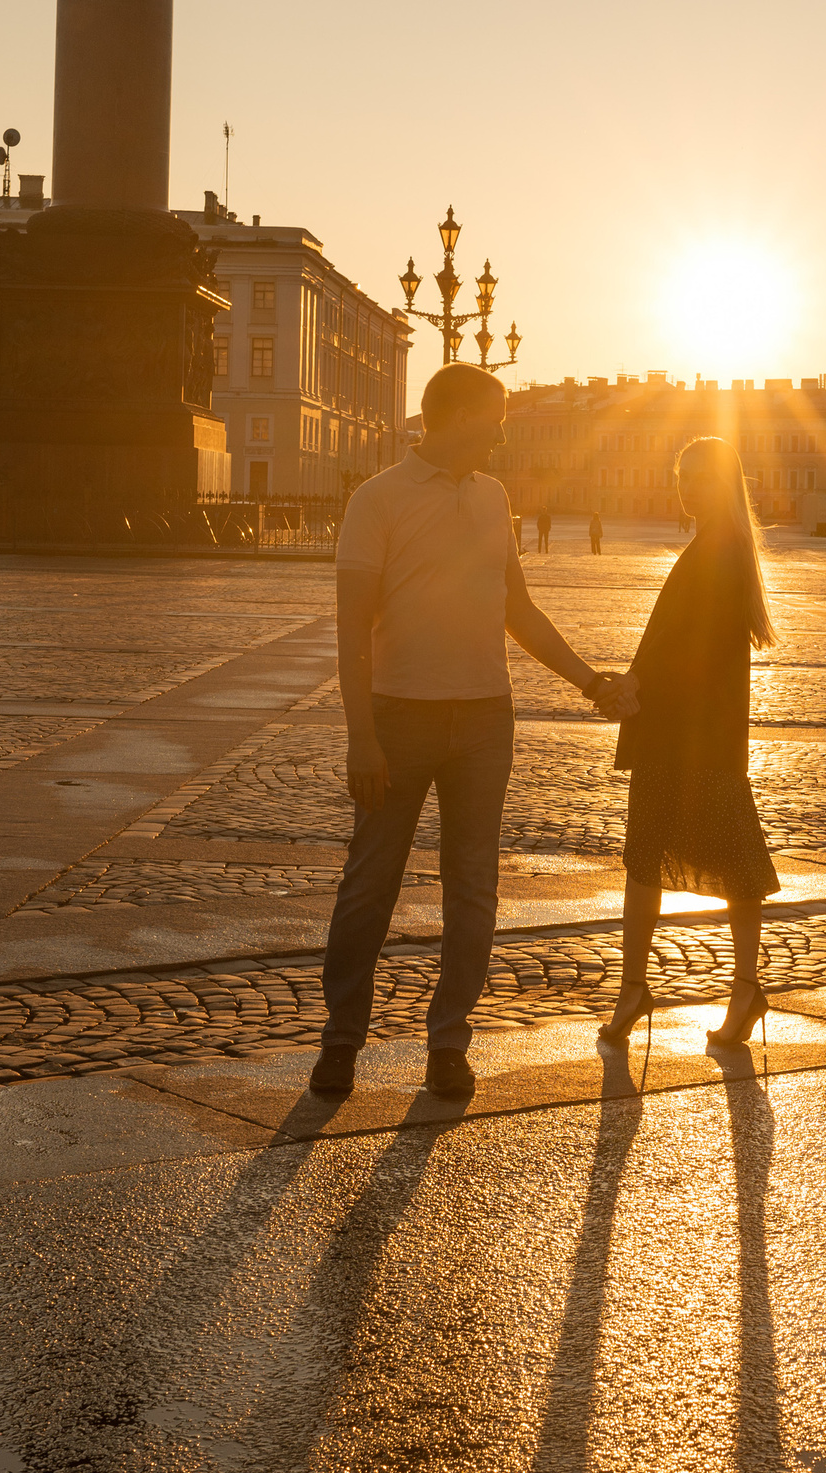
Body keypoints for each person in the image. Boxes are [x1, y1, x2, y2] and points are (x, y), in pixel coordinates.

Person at [312, 364, 629, 1099]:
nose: (503, 429)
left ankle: (449, 1042)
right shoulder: (377, 500)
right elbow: (351, 628)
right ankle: (340, 1041)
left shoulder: (494, 498)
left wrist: (588, 680)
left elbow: (516, 607)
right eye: (495, 416)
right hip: (399, 711)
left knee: (474, 887)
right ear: (452, 418)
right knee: (369, 887)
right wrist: (362, 734)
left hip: (487, 716)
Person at [598, 436, 779, 1050]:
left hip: (688, 735)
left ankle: (641, 990)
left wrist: (634, 683)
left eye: (701, 476)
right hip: (694, 733)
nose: (688, 487)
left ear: (725, 485)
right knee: (711, 863)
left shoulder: (716, 554)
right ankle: (732, 988)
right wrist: (635, 681)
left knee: (684, 860)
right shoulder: (714, 549)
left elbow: (686, 648)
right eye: (682, 475)